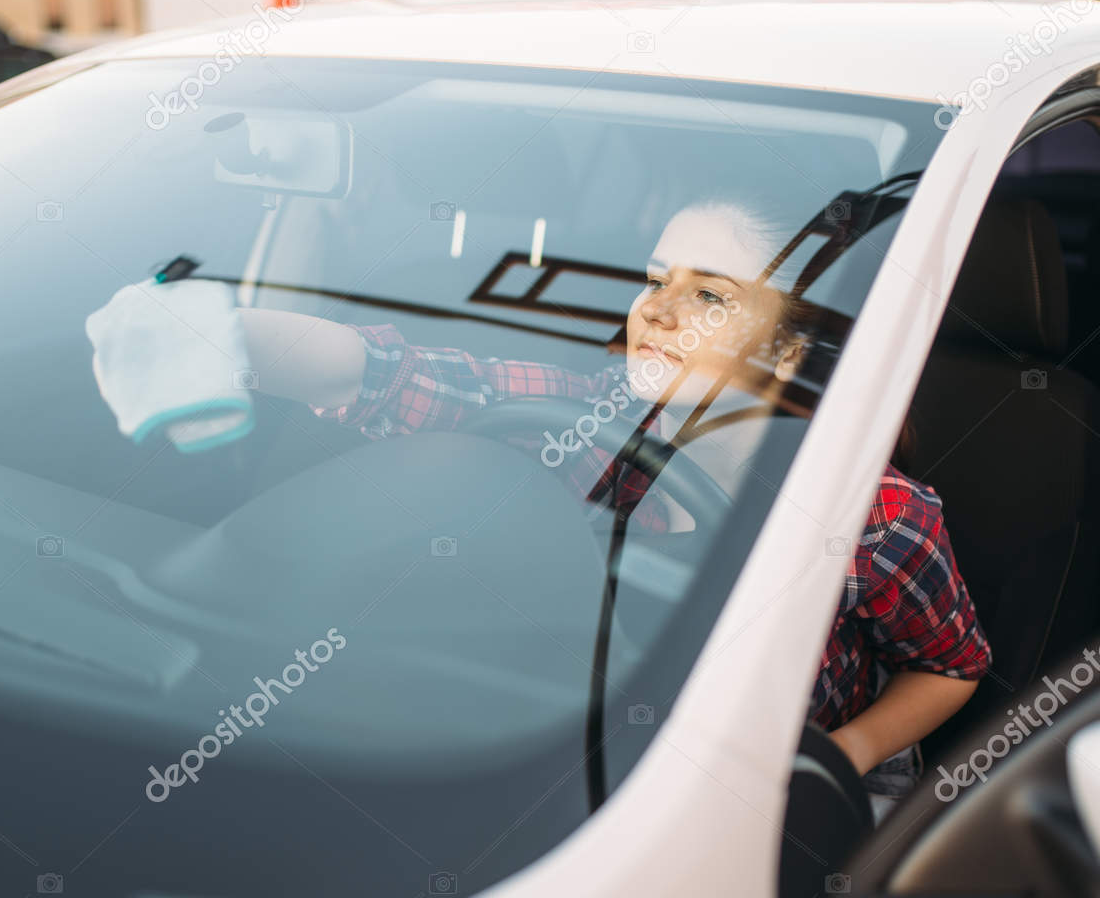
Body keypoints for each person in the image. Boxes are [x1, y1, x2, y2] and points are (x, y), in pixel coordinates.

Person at [191, 201, 992, 804]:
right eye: (653, 282)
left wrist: (841, 758)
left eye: (710, 296)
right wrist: (207, 331)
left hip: (802, 773)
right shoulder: (593, 418)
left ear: (783, 347)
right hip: (610, 758)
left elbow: (950, 666)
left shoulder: (876, 514)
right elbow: (404, 378)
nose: (657, 310)